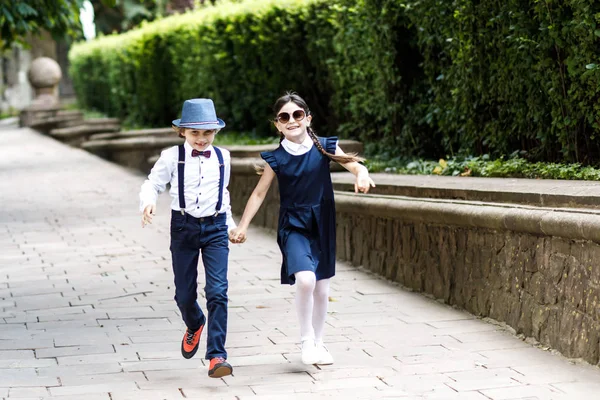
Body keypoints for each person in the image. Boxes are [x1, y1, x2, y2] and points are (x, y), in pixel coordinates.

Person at [229, 92, 375, 365]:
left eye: (297, 115)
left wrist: (363, 174)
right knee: (306, 280)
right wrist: (243, 226)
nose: (292, 120)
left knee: (322, 288)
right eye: (285, 117)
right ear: (277, 124)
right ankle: (306, 340)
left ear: (308, 118)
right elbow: (259, 193)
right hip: (293, 226)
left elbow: (355, 167)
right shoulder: (277, 159)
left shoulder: (326, 147)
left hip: (323, 224)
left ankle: (319, 343)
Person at [139, 98, 236, 378]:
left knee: (217, 291)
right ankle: (194, 323)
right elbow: (152, 183)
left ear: (215, 132)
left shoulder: (223, 157)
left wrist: (230, 226)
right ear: (182, 132)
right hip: (183, 228)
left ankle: (217, 356)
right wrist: (148, 202)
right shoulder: (171, 156)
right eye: (195, 133)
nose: (202, 139)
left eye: (207, 133)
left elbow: (224, 194)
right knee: (184, 295)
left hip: (216, 228)